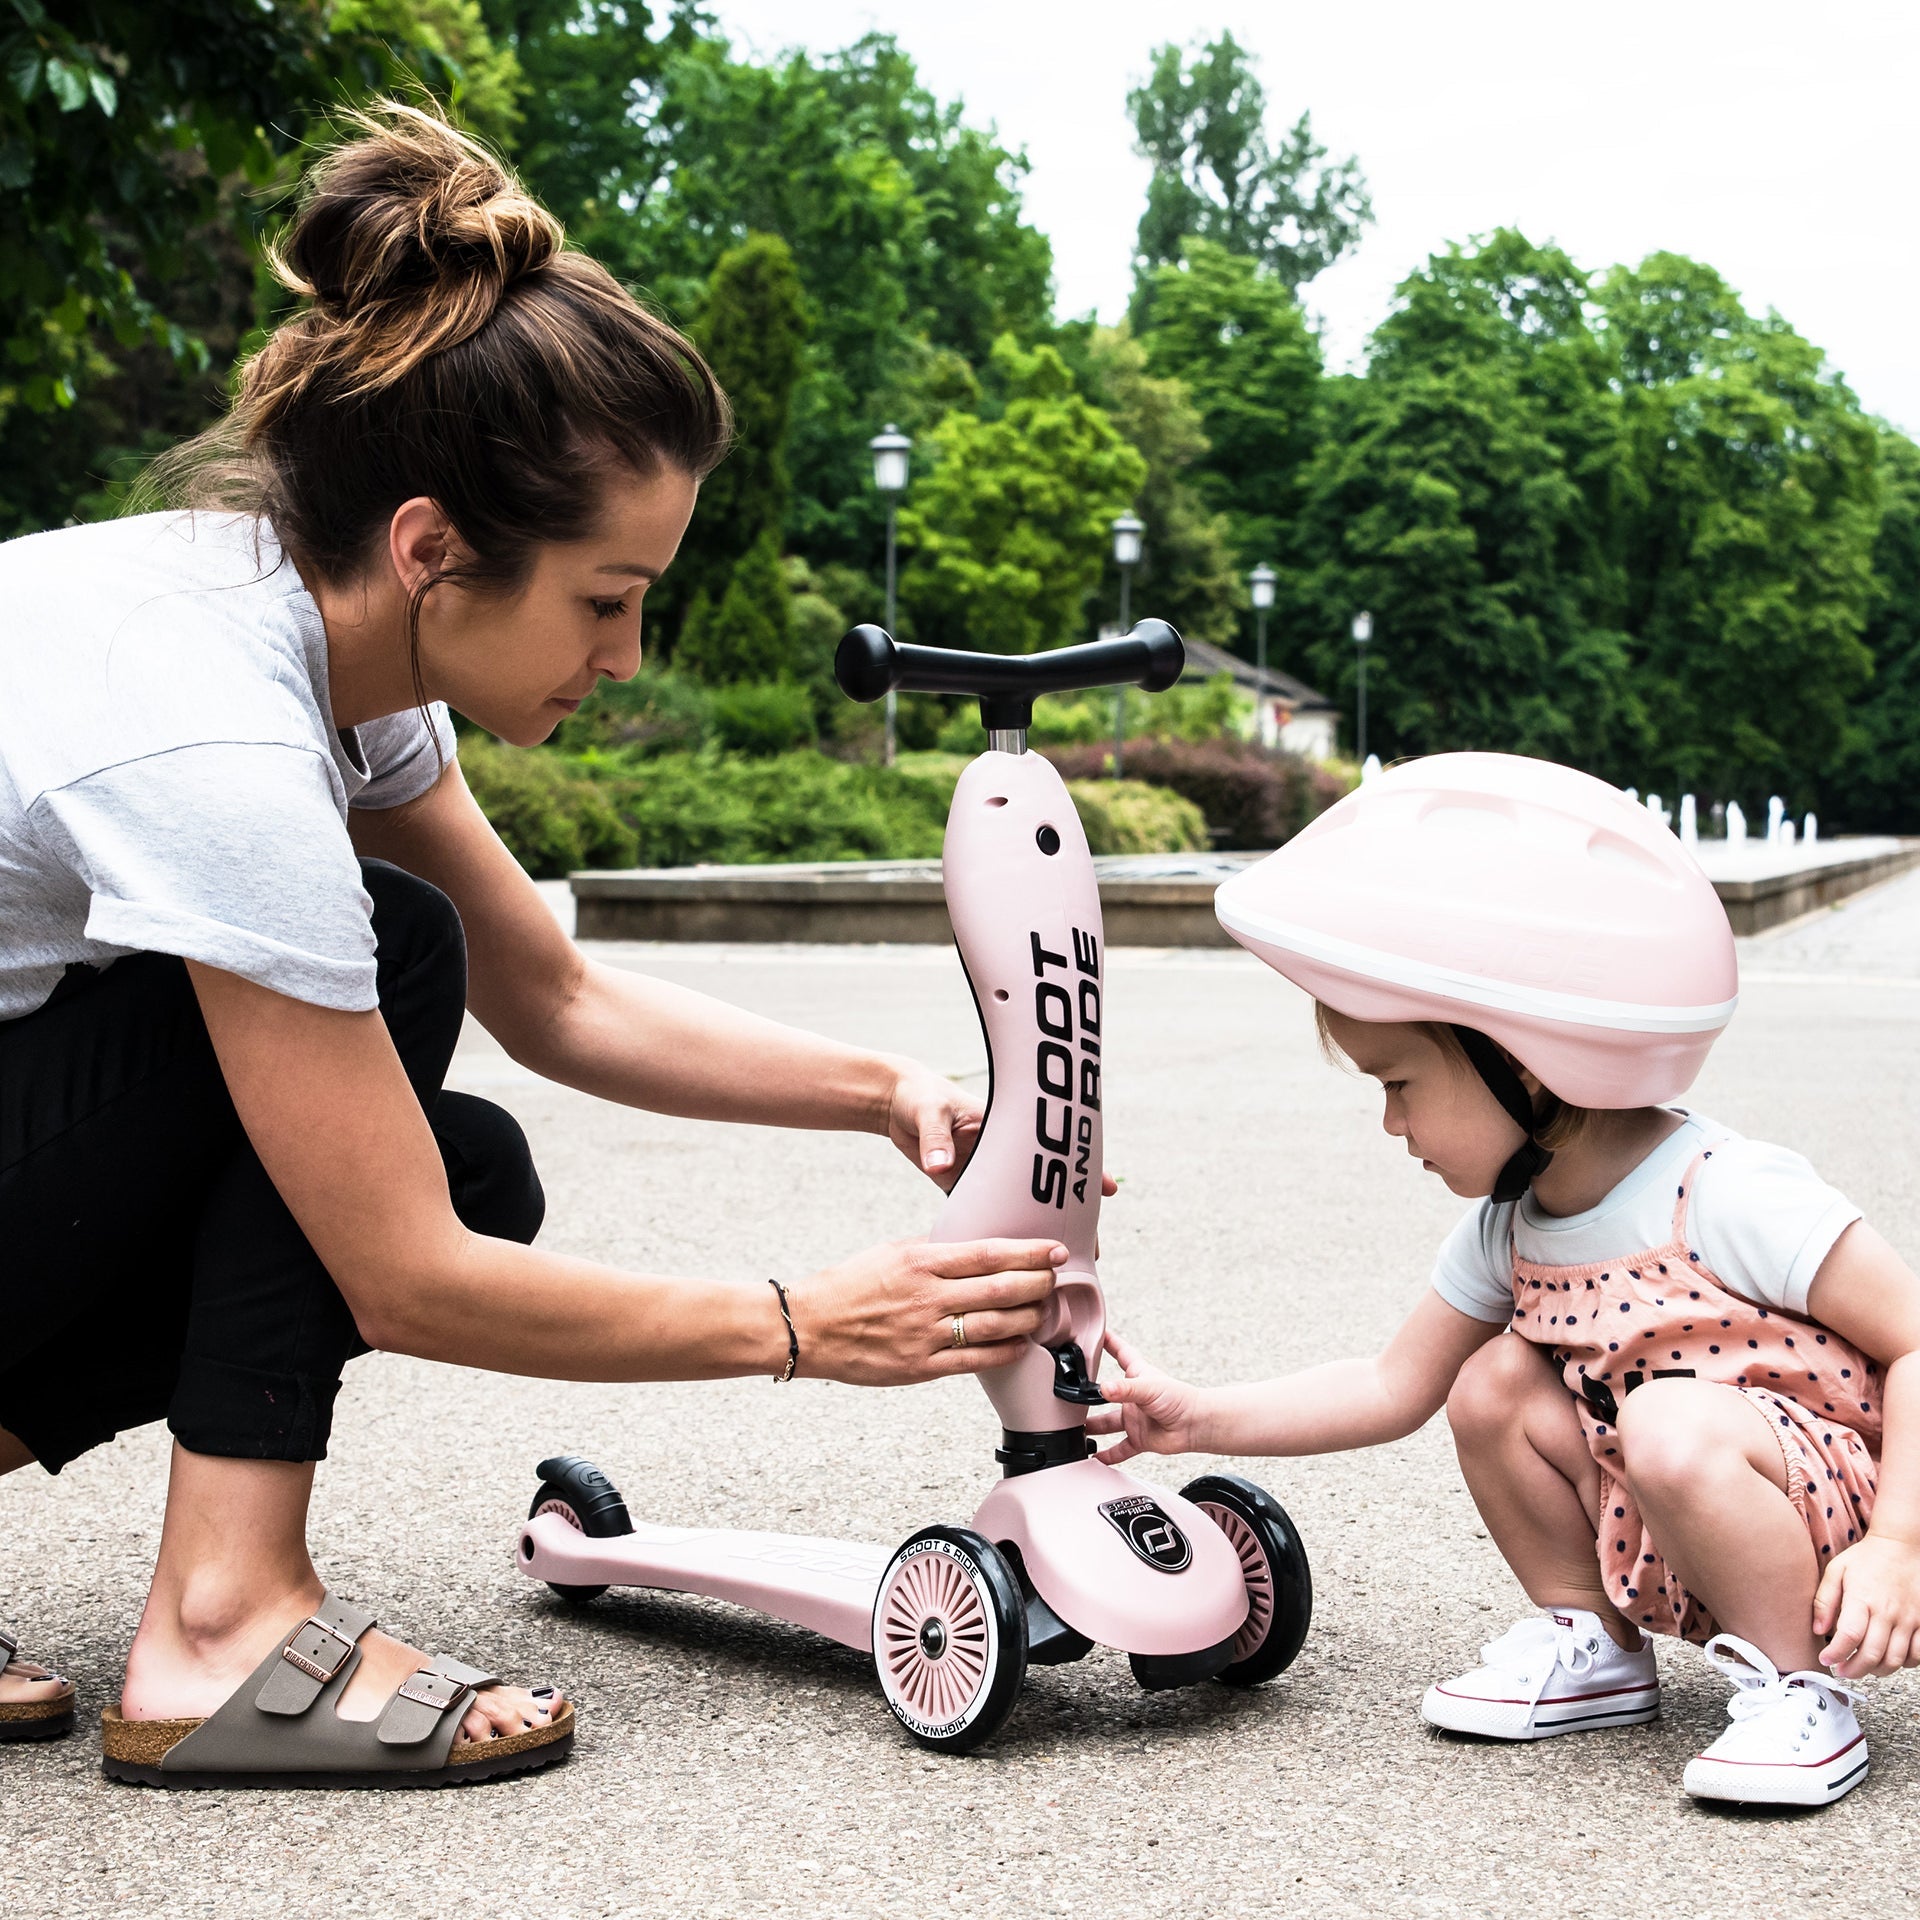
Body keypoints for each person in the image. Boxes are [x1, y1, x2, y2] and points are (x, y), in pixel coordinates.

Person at [0, 104, 1068, 1788]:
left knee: (462, 1148)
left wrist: (884, 1089)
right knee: (397, 994)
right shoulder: (216, 737)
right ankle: (219, 1626)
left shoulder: (302, 635)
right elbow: (398, 1276)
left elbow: (553, 993)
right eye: (603, 596)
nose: (631, 653)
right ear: (432, 550)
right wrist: (800, 1323)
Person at [1089, 752, 1920, 1809]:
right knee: (1492, 1383)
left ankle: (1804, 1688)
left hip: (1845, 1522)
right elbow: (1393, 1385)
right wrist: (1195, 1417)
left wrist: (1899, 1547)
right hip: (1679, 1496)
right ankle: (1598, 1645)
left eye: (1399, 1085)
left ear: (1522, 1061)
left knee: (1668, 1420)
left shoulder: (1722, 1192)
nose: (1391, 1125)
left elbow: (1914, 1340)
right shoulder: (1512, 1226)